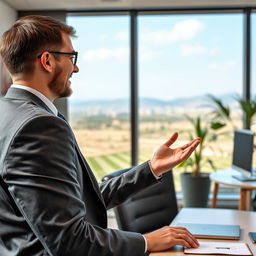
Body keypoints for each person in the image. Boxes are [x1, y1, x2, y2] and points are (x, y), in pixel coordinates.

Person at [0, 15, 201, 256]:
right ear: (47, 61)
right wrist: (147, 242)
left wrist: (152, 168)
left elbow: (79, 201)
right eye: (71, 57)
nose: (75, 67)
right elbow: (69, 240)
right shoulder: (40, 125)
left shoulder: (9, 113)